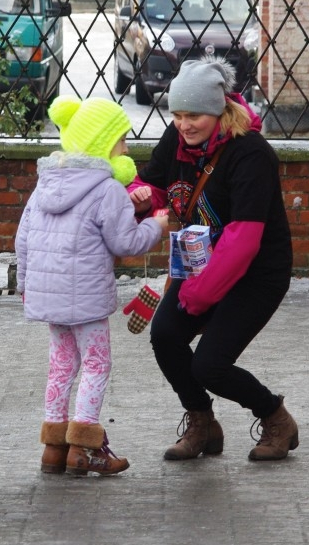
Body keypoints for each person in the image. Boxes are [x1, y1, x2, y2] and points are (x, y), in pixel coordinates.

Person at [127, 56, 298, 462]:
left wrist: (199, 296)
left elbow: (243, 239)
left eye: (195, 115)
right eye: (178, 114)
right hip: (199, 263)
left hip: (257, 273)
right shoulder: (177, 139)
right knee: (165, 337)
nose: (185, 125)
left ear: (220, 109)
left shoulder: (251, 155)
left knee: (210, 365)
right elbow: (152, 182)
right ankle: (202, 422)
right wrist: (142, 198)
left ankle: (275, 416)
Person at [16, 96, 169, 476]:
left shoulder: (45, 185)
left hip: (48, 297)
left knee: (61, 366)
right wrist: (157, 226)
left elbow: (23, 241)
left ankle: (53, 447)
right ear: (103, 145)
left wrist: (25, 286)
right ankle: (84, 448)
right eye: (122, 141)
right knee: (97, 364)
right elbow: (126, 243)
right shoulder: (106, 190)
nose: (127, 148)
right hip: (86, 301)